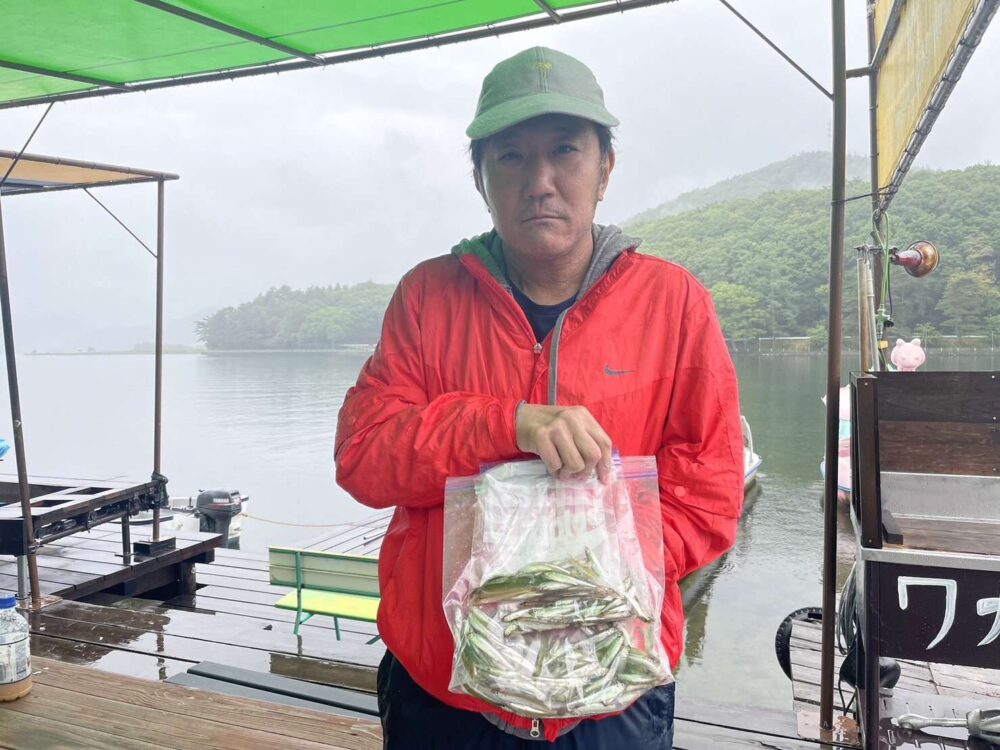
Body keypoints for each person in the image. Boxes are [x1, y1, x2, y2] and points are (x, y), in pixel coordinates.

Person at [335, 46, 744, 749]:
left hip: (611, 690)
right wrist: (507, 423)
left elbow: (710, 490)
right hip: (444, 692)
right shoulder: (427, 298)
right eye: (511, 157)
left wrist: (595, 575)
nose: (541, 182)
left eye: (565, 151)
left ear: (605, 169)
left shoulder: (673, 303)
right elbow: (365, 457)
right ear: (481, 178)